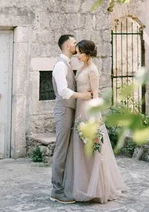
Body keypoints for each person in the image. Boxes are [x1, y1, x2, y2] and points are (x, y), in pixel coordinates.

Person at [65, 39, 125, 203]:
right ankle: (83, 185)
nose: (77, 55)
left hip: (88, 110)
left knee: (92, 148)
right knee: (80, 148)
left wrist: (95, 119)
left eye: (80, 52)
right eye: (77, 52)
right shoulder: (82, 67)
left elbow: (96, 95)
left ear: (88, 53)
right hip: (79, 108)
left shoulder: (92, 70)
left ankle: (97, 188)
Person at [50, 34, 92, 204]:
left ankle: (65, 186)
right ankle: (57, 190)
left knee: (67, 150)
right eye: (74, 43)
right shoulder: (60, 66)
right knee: (61, 150)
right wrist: (83, 95)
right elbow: (63, 91)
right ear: (68, 46)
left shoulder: (68, 64)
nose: (77, 45)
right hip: (64, 110)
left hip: (70, 110)